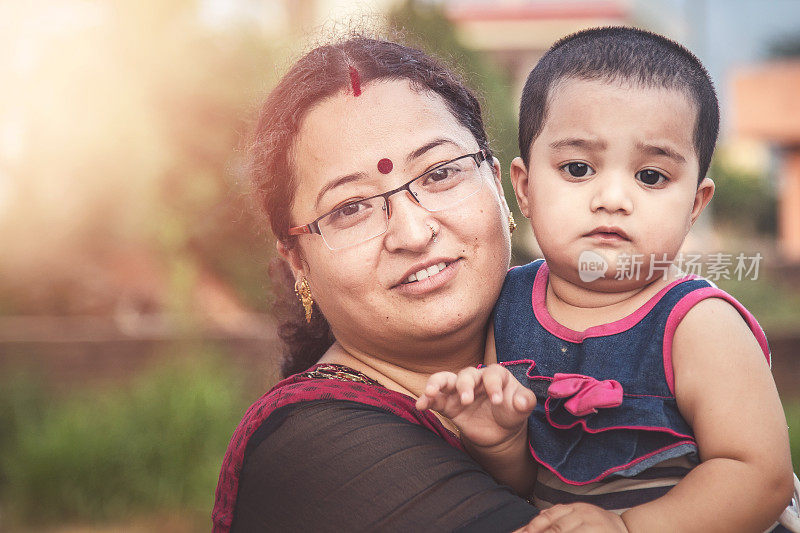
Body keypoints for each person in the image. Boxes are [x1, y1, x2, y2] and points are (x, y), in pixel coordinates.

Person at [416, 27, 798, 532]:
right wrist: (501, 440)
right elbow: (527, 481)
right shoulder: (508, 306)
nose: (613, 198)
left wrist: (627, 527)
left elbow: (760, 478)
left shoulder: (697, 323)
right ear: (525, 189)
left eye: (651, 177)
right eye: (578, 168)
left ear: (694, 206)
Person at [211, 35, 546, 532]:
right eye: (351, 208)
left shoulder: (595, 345)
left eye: (439, 173)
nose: (412, 233)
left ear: (498, 185)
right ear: (297, 261)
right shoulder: (313, 449)